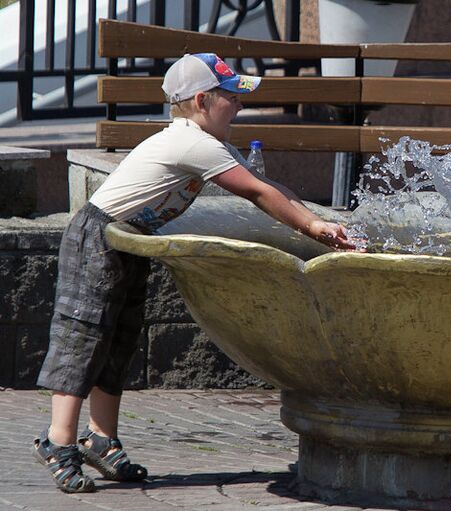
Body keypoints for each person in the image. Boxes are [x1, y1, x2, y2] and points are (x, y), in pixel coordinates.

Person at [33, 53, 360, 493]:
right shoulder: (192, 142)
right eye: (232, 96)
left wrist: (316, 219)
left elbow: (273, 188)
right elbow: (258, 193)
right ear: (203, 100)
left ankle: (103, 439)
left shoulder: (212, 143)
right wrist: (313, 227)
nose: (240, 105)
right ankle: (59, 441)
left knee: (120, 338)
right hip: (96, 234)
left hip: (127, 239)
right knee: (85, 334)